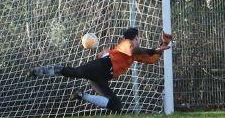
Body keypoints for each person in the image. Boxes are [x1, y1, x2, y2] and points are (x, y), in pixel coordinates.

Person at [30, 28, 172, 112]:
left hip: (102, 78)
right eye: (138, 38)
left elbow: (152, 59)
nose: (138, 41)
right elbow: (137, 49)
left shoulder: (133, 53)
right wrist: (155, 49)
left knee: (116, 105)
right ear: (133, 39)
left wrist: (164, 44)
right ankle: (40, 71)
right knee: (75, 73)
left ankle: (81, 96)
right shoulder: (125, 44)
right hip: (101, 66)